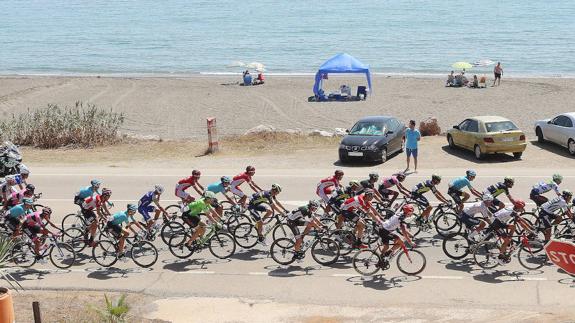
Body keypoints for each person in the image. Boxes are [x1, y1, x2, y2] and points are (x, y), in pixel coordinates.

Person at [488, 199, 531, 265]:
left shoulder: (512, 208)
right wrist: (530, 230)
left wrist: (530, 226)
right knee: (507, 240)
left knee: (513, 227)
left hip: (497, 221)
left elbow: (521, 220)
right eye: (522, 207)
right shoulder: (512, 212)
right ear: (519, 207)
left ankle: (509, 239)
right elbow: (522, 223)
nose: (523, 209)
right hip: (495, 224)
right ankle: (500, 257)